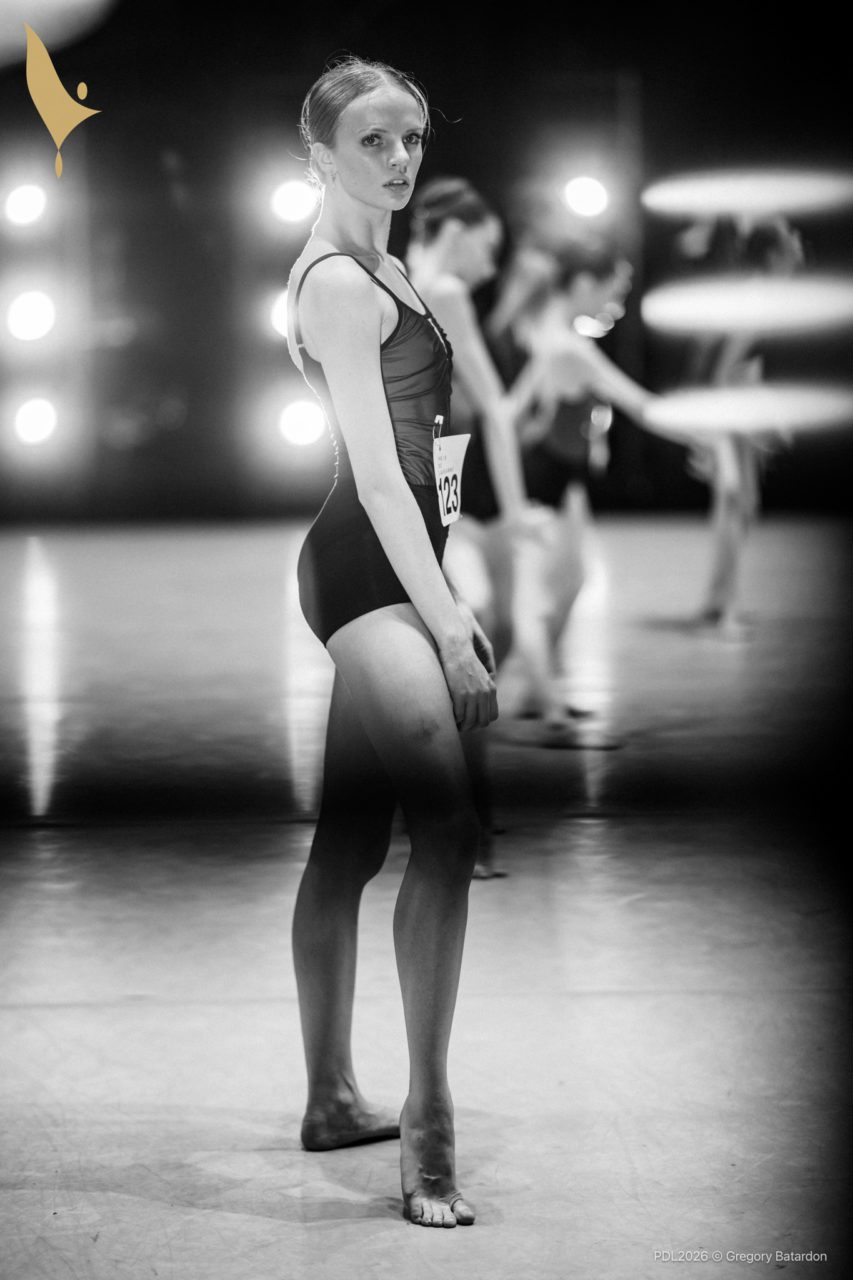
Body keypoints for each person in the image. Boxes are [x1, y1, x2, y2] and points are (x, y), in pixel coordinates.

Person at [285, 56, 496, 1228]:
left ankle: (330, 1097)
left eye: (411, 135)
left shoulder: (390, 265)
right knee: (449, 827)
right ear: (319, 155)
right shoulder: (336, 283)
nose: (401, 156)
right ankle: (430, 1121)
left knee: (352, 840)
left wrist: (445, 591)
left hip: (402, 566)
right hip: (363, 574)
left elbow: (430, 464)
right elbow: (376, 478)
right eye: (373, 139)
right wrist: (447, 619)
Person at [406, 176, 547, 875]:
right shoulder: (447, 291)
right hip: (446, 473)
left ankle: (460, 818)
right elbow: (492, 407)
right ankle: (465, 828)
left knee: (479, 635)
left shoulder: (394, 276)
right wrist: (515, 510)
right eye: (487, 250)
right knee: (475, 638)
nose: (491, 268)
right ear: (457, 234)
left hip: (437, 469)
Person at [490, 239, 659, 744]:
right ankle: (548, 706)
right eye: (615, 291)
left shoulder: (549, 334)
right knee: (534, 595)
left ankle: (536, 693)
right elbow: (640, 405)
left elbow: (517, 410)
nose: (619, 306)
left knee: (570, 580)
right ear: (584, 284)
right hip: (540, 479)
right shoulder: (567, 345)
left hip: (559, 476)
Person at [673, 214, 805, 632]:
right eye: (791, 237)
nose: (799, 242)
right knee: (733, 499)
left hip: (733, 405)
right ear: (774, 255)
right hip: (723, 407)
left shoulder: (760, 293)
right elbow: (718, 372)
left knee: (742, 504)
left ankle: (719, 601)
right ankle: (723, 609)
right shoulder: (757, 297)